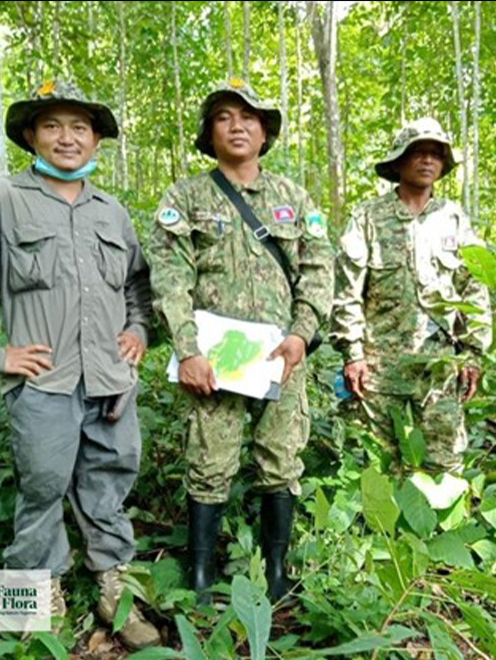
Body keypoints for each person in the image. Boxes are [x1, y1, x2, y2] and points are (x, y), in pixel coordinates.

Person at [0, 81, 159, 647]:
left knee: (109, 484)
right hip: (45, 382)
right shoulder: (0, 200)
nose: (66, 137)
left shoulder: (112, 211)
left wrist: (138, 329)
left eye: (80, 127)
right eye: (52, 126)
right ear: (31, 135)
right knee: (43, 488)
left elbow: (138, 286)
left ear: (97, 139)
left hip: (109, 379)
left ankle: (115, 591)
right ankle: (37, 592)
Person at [146, 78, 333, 603]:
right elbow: (169, 278)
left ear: (265, 131)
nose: (237, 125)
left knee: (281, 458)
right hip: (215, 361)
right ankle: (202, 577)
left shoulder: (294, 199)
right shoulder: (185, 198)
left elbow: (319, 271)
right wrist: (187, 351)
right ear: (209, 132)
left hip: (280, 358)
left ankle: (276, 571)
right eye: (224, 116)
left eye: (249, 116)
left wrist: (301, 335)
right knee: (209, 462)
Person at [331, 118, 492, 474]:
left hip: (437, 366)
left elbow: (475, 287)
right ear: (399, 161)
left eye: (436, 154)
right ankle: (378, 530)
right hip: (378, 364)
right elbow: (348, 291)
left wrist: (472, 352)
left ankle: (439, 528)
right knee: (375, 464)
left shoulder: (454, 219)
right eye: (418, 152)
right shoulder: (368, 217)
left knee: (443, 463)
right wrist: (353, 354)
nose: (427, 160)